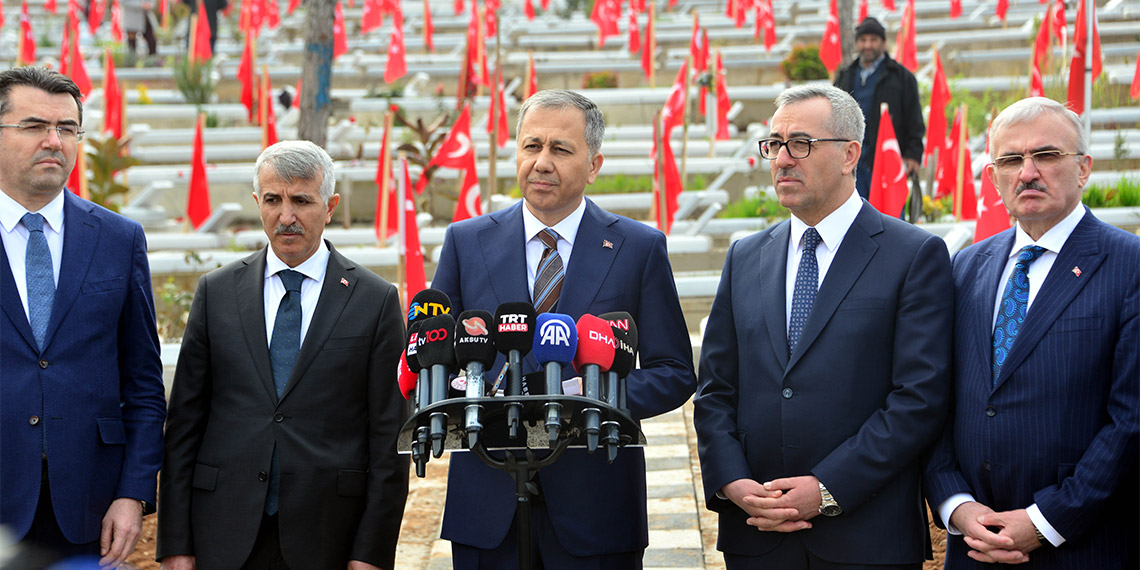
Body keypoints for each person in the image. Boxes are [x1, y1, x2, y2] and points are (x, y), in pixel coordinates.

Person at [432, 89, 696, 569]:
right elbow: (435, 354)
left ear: (594, 165)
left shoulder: (638, 248)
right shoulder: (465, 242)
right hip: (487, 503)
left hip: (596, 505)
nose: (542, 163)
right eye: (532, 146)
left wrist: (590, 395)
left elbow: (674, 372)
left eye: (560, 149)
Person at [693, 84, 953, 569]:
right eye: (774, 144)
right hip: (757, 535)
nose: (782, 160)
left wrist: (827, 487)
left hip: (865, 538)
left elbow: (919, 399)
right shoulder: (745, 256)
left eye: (801, 144)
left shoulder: (913, 255)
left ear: (850, 154)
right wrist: (732, 481)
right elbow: (715, 390)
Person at [156, 140, 409, 569]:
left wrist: (371, 554)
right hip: (224, 533)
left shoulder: (374, 300)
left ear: (330, 207)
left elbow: (389, 440)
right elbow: (184, 426)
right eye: (273, 200)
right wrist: (176, 545)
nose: (286, 216)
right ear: (258, 203)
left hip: (328, 536)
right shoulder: (217, 293)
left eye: (301, 201)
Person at [924, 97, 1139, 567]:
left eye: (1045, 154)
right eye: (1010, 160)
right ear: (992, 177)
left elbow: (1131, 421)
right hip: (974, 545)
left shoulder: (1130, 265)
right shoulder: (965, 267)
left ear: (1083, 168)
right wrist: (955, 503)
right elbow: (937, 398)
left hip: (1083, 546)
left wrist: (1045, 521)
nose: (1027, 172)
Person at [0, 66, 166, 567]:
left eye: (67, 128)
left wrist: (133, 493)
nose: (54, 141)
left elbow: (144, 382)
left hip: (90, 508)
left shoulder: (119, 239)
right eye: (34, 126)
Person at [834, 17, 925, 200]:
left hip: (887, 158)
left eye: (873, 40)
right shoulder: (845, 76)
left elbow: (914, 119)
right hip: (851, 160)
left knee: (888, 211)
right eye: (863, 40)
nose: (868, 45)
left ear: (883, 43)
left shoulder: (902, 77)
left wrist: (913, 155)